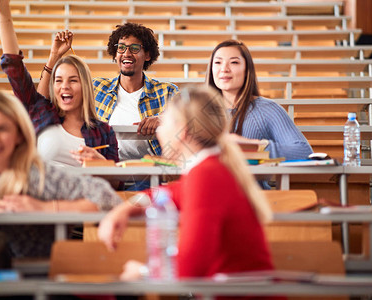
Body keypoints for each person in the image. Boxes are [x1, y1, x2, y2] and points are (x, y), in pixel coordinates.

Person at [97, 86, 280, 291]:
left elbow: (189, 271)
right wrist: (126, 208)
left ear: (181, 130)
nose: (159, 131)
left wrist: (141, 273)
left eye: (164, 122)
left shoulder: (206, 176)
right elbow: (169, 193)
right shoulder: (210, 167)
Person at [0, 91, 122, 258]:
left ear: (19, 135)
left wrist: (44, 208)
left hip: (34, 274)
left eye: (2, 129)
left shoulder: (37, 173)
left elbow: (107, 198)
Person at [0, 0, 119, 167]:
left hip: (84, 191)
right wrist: (3, 10)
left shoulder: (104, 131)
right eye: (59, 80)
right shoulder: (41, 112)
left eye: (73, 80)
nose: (65, 86)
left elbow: (116, 181)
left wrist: (102, 164)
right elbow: (13, 65)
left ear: (85, 86)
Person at [38, 22, 179, 160]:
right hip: (105, 171)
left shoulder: (167, 92)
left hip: (151, 175)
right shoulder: (96, 88)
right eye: (121, 48)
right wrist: (54, 56)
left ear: (147, 55)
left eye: (134, 48)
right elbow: (39, 105)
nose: (127, 53)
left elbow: (191, 122)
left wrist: (163, 120)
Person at [206, 40, 313, 161]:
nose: (224, 69)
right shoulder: (200, 111)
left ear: (247, 70)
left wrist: (253, 147)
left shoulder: (267, 109)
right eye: (218, 62)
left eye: (234, 62)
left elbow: (304, 152)